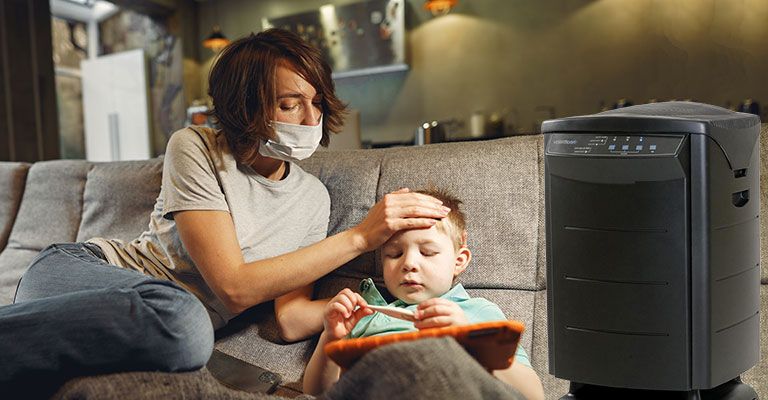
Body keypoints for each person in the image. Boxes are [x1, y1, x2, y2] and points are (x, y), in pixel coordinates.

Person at [0, 28, 450, 393]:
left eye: (316, 102)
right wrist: (359, 237)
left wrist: (375, 308)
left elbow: (291, 318)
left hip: (155, 322)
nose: (311, 119)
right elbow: (232, 287)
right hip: (80, 272)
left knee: (182, 330)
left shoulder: (313, 198)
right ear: (245, 105)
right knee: (184, 323)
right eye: (290, 104)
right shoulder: (195, 147)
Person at [304, 189, 545, 400]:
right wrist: (330, 337)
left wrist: (470, 341)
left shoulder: (479, 313)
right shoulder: (364, 316)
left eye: (427, 252)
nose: (409, 263)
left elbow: (534, 394)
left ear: (459, 261)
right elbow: (316, 392)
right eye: (394, 254)